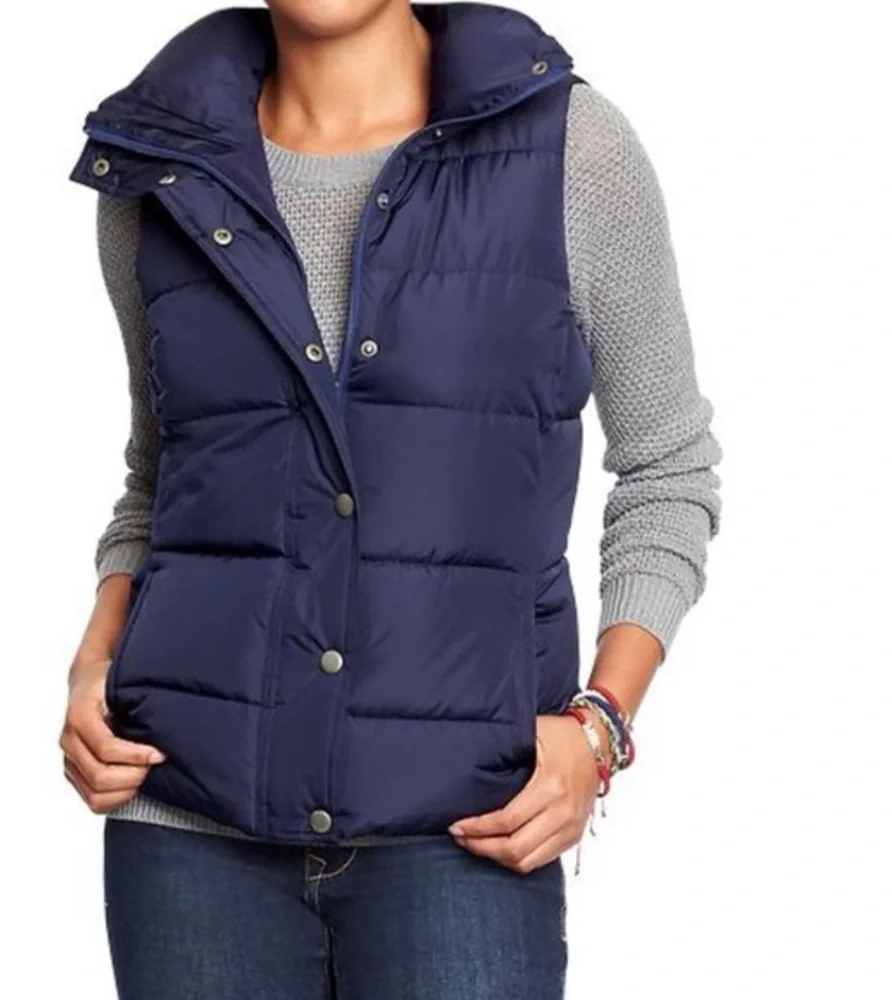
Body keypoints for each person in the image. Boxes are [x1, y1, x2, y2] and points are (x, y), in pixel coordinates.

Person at [60, 2, 723, 997]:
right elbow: (161, 478)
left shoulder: (569, 152)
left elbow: (668, 468)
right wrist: (92, 666)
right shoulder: (157, 167)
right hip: (186, 825)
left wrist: (600, 724)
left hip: (466, 830)